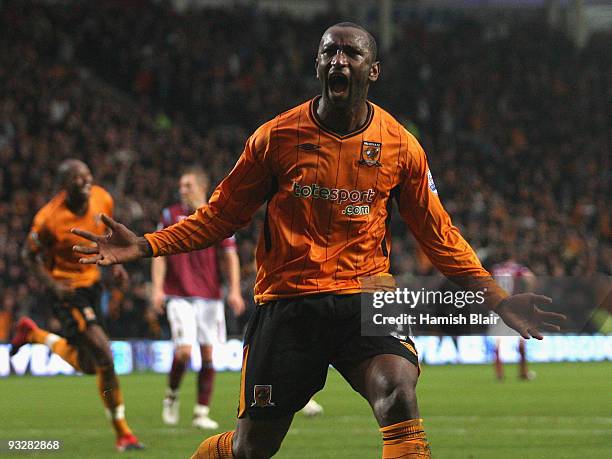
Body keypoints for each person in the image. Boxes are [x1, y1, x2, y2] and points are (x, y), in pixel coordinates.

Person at [73, 23, 565, 459]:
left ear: (373, 71)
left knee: (398, 391)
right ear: (317, 65)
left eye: (352, 53)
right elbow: (222, 215)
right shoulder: (275, 138)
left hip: (367, 297)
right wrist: (147, 245)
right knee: (251, 449)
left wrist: (497, 300)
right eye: (330, 52)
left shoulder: (401, 146)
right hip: (290, 303)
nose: (339, 60)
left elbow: (439, 236)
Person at [11, 159, 144, 452]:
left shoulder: (102, 198)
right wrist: (53, 286)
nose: (86, 181)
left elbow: (107, 237)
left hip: (93, 283)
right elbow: (27, 256)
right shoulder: (48, 219)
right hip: (66, 290)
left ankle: (34, 334)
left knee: (88, 364)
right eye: (76, 177)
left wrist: (117, 264)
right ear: (63, 186)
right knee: (104, 354)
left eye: (87, 175)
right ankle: (123, 433)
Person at [152, 167, 246, 429]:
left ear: (202, 188)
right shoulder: (170, 215)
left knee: (207, 355)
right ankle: (172, 395)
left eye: (188, 185)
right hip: (178, 293)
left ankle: (201, 412)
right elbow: (159, 251)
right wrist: (157, 288)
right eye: (181, 185)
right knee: (183, 352)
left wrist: (235, 290)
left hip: (210, 296)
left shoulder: (216, 215)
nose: (183, 190)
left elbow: (230, 255)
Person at [491, 257, 537, 381]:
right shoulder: (516, 268)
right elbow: (530, 278)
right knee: (521, 339)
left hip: (496, 305)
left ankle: (499, 373)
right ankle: (523, 372)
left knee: (498, 342)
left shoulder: (495, 269)